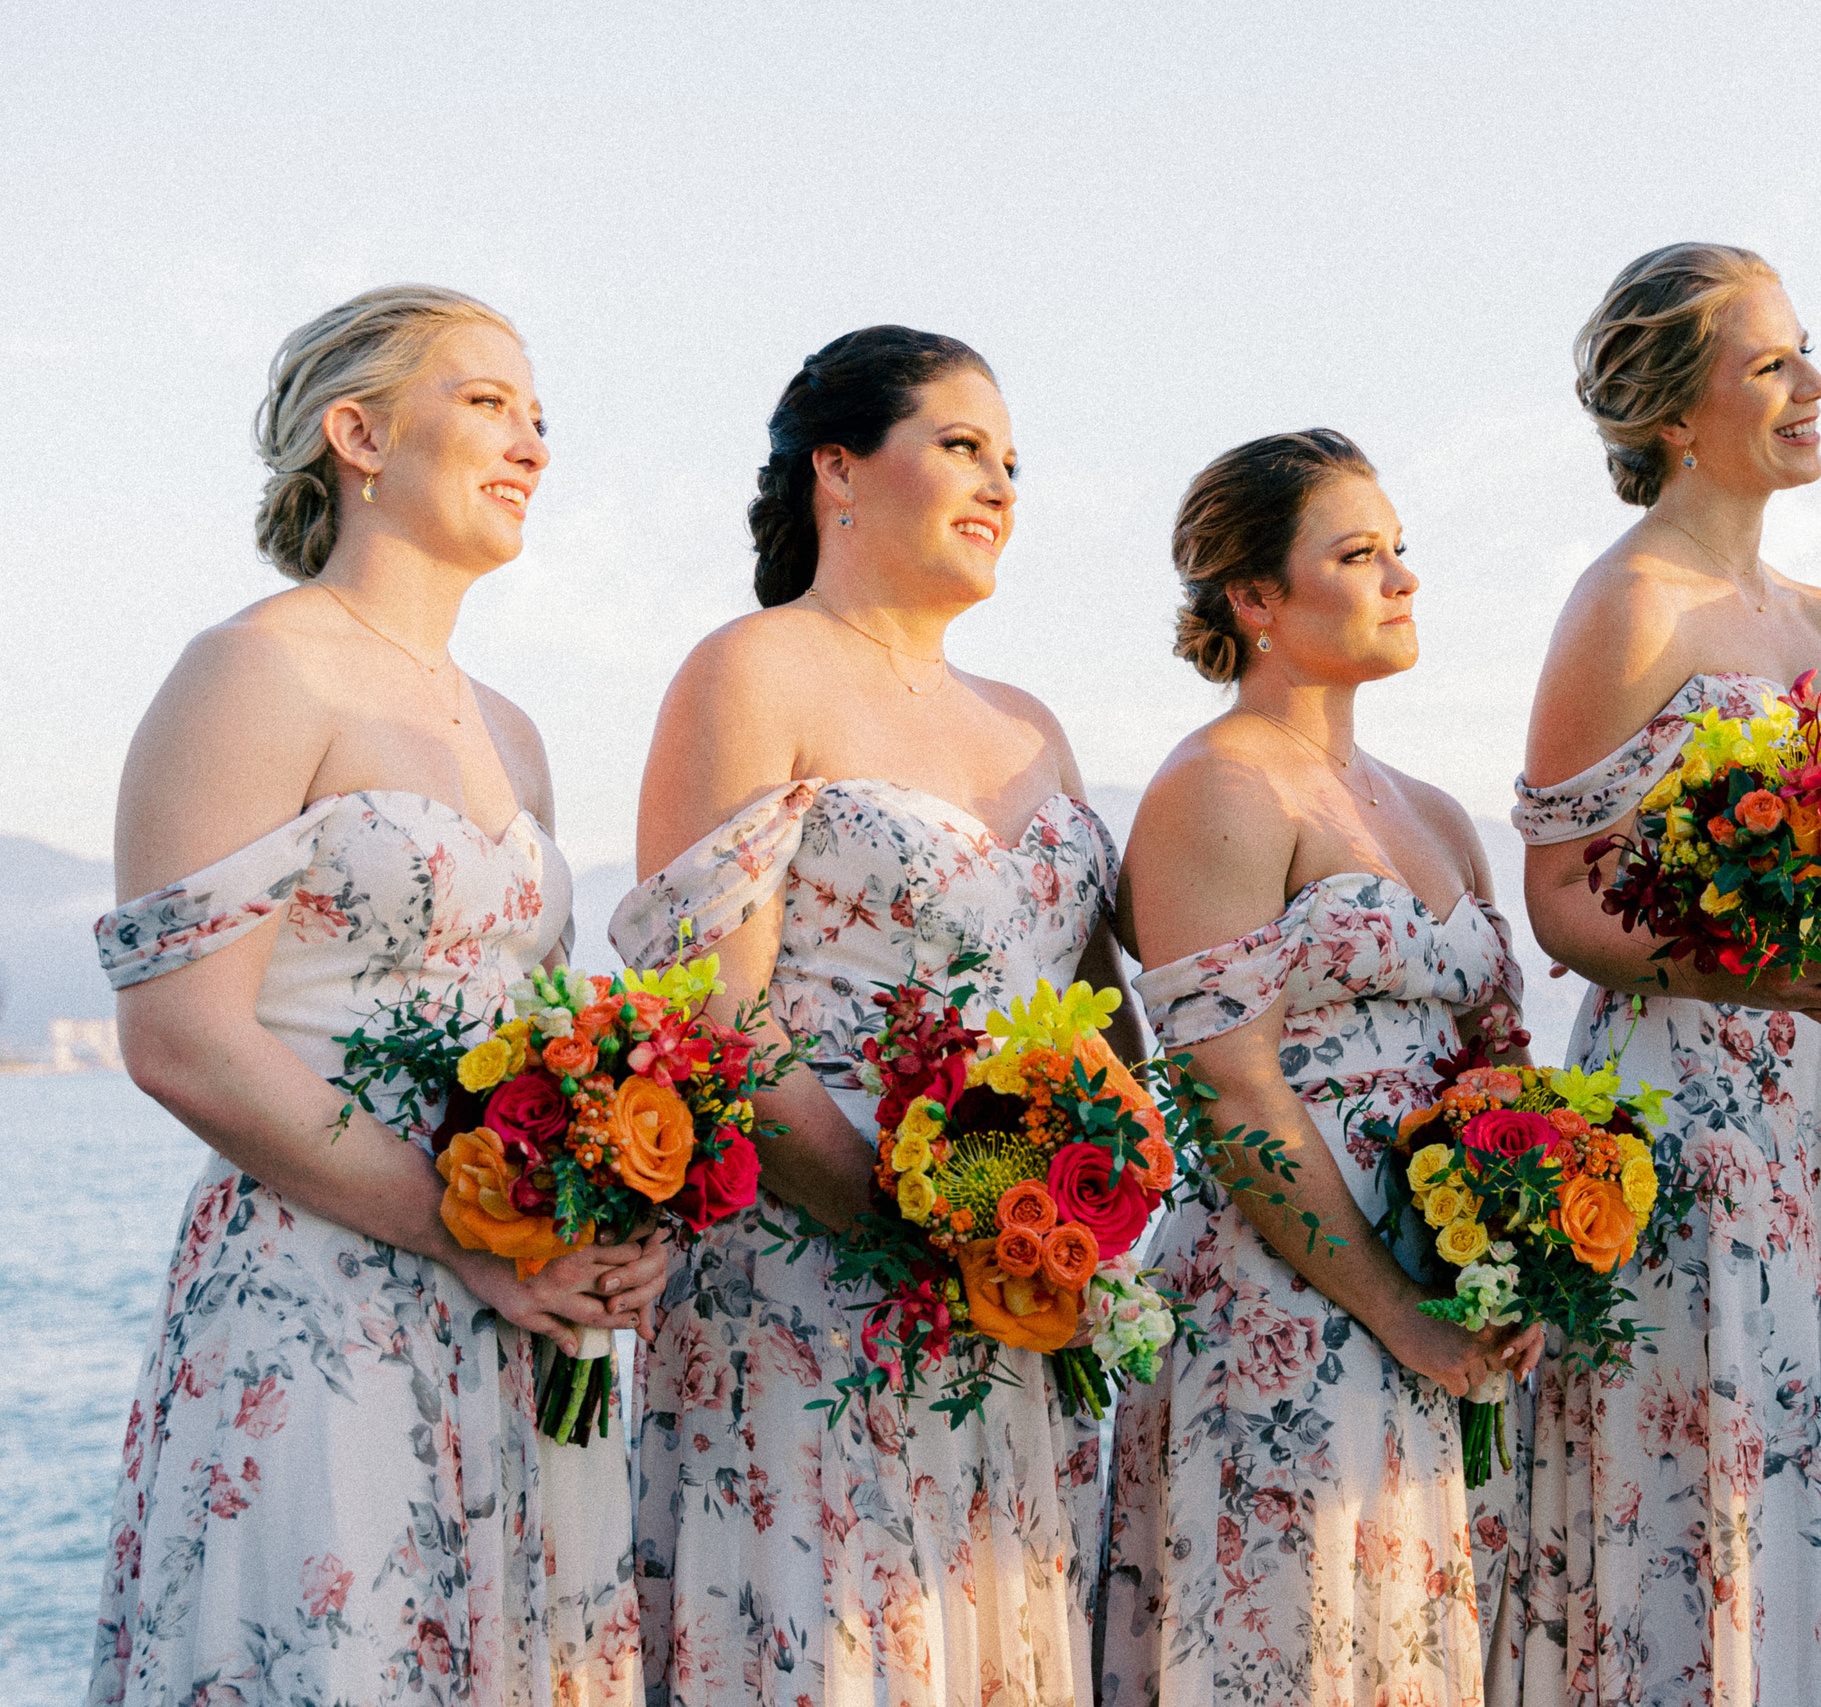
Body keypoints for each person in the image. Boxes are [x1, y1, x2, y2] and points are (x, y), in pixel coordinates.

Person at [90, 285, 654, 1706]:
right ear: (358, 433)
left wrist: (617, 1210)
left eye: (540, 416)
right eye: (485, 403)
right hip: (326, 1283)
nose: (530, 440)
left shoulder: (514, 733)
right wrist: (457, 1233)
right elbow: (183, 1038)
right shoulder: (251, 669)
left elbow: (547, 1041)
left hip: (519, 1311)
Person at [612, 325, 1136, 1705]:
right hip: (811, 1278)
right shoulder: (755, 668)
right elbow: (711, 1009)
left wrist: (1079, 1223)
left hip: (1021, 1298)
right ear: (837, 469)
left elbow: (1097, 1022)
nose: (1001, 481)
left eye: (1012, 459)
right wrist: (916, 1225)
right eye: (961, 443)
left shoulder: (1032, 724)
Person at [1511, 243, 1821, 1704]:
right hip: (1695, 1096)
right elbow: (1561, 898)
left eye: (1806, 351)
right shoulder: (1626, 606)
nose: (1816, 384)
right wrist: (1745, 979)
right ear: (1675, 415)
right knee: (1717, 1456)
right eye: (1772, 364)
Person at [1096, 430, 1544, 1706]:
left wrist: (1521, 1246)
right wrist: (1393, 1311)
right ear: (1256, 601)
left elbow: (1500, 1065)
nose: (1402, 577)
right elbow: (1226, 1089)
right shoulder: (1217, 787)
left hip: (1454, 1290)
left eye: (1401, 548)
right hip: (1297, 1295)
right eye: (1357, 554)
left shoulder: (1437, 811)